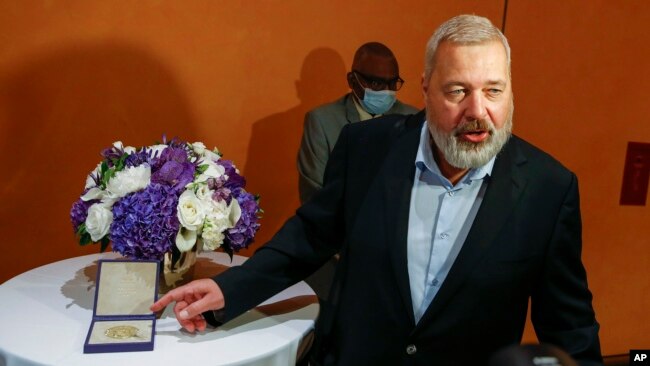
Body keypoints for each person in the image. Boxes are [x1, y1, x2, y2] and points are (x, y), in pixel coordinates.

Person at [151, 14, 603, 366]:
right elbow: (309, 239)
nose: (477, 111)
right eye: (458, 90)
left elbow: (568, 326)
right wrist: (230, 289)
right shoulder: (367, 149)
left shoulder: (547, 189)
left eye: (494, 91)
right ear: (426, 89)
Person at [297, 41, 418, 204]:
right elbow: (315, 196)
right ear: (352, 81)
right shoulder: (322, 122)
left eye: (392, 83)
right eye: (376, 84)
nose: (386, 91)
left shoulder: (412, 119)